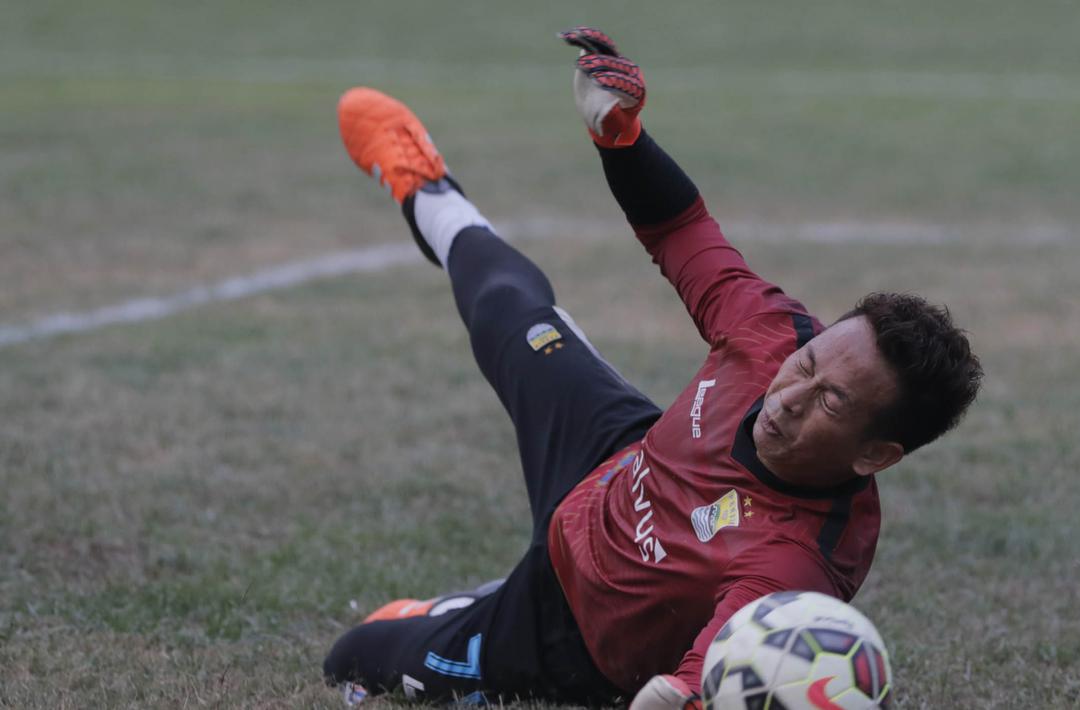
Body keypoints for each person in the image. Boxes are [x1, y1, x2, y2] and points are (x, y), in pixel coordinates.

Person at [322, 27, 982, 708]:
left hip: (563, 631)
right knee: (506, 308)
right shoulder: (767, 334)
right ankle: (424, 184)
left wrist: (675, 695)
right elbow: (679, 231)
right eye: (806, 364)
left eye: (833, 403)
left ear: (875, 455)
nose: (789, 397)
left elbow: (720, 667)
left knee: (353, 658)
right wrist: (621, 138)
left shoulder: (795, 562)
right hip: (616, 457)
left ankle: (473, 610)